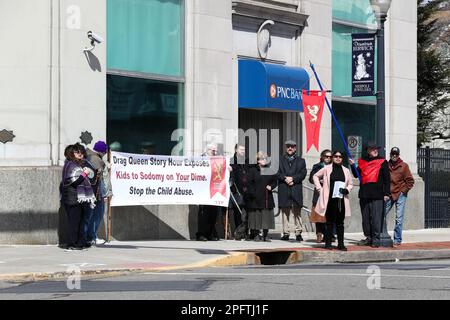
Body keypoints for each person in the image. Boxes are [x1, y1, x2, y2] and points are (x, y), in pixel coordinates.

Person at [349, 142, 391, 248]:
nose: (375, 150)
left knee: (376, 218)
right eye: (373, 149)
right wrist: (352, 165)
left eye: (376, 148)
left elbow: (387, 179)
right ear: (368, 150)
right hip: (364, 194)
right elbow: (356, 174)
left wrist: (386, 193)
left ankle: (376, 239)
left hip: (377, 194)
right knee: (366, 218)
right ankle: (369, 237)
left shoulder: (383, 162)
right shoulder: (362, 161)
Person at [313, 151, 353, 250]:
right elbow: (315, 176)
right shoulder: (327, 169)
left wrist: (347, 190)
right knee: (329, 222)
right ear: (332, 158)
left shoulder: (346, 170)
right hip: (330, 199)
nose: (338, 158)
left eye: (340, 156)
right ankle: (328, 243)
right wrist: (319, 189)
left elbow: (350, 183)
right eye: (336, 156)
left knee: (340, 223)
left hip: (341, 200)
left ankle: (341, 244)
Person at [60, 144, 97, 250]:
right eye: (77, 152)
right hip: (73, 199)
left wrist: (87, 173)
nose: (80, 153)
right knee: (74, 222)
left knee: (81, 221)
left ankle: (80, 242)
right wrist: (84, 174)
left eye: (81, 151)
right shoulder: (70, 166)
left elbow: (89, 179)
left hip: (81, 198)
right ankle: (72, 243)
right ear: (71, 153)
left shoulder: (79, 165)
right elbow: (75, 182)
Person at [277, 140, 307, 242]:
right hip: (284, 188)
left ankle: (298, 233)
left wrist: (293, 179)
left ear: (295, 148)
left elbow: (303, 173)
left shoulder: (301, 161)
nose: (290, 148)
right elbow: (277, 172)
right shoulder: (279, 160)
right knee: (285, 212)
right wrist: (285, 178)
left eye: (292, 147)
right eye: (288, 146)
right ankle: (286, 233)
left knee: (297, 211)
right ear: (286, 148)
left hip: (296, 188)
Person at [385, 147, 415, 246]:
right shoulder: (386, 165)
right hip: (389, 193)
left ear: (398, 155)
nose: (394, 156)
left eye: (396, 154)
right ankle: (382, 235)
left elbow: (410, 181)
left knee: (399, 218)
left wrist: (403, 191)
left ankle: (397, 239)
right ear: (390, 154)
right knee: (382, 215)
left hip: (400, 194)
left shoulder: (404, 166)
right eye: (393, 154)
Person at [246, 152, 277, 242]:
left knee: (266, 216)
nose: (264, 160)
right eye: (262, 159)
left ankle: (265, 235)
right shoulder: (253, 170)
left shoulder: (270, 170)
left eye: (265, 159)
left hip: (267, 196)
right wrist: (252, 193)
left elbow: (275, 181)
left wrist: (271, 186)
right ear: (258, 161)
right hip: (255, 197)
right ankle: (256, 235)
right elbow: (249, 183)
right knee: (256, 216)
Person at [86, 140, 110, 245]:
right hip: (96, 193)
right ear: (102, 151)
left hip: (88, 192)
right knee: (97, 215)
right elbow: (102, 180)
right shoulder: (97, 161)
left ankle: (89, 237)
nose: (105, 153)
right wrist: (105, 194)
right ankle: (92, 237)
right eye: (105, 151)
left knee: (90, 215)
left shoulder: (88, 158)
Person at [196, 143, 220, 241]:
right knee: (204, 213)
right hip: (203, 191)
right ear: (207, 150)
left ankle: (210, 233)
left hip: (214, 190)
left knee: (213, 213)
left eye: (215, 151)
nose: (215, 152)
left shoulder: (218, 160)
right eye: (213, 150)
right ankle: (201, 234)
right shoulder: (201, 159)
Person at [229, 143, 254, 240]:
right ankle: (238, 233)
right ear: (236, 150)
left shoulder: (246, 161)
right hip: (236, 190)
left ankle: (246, 232)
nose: (243, 151)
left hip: (247, 190)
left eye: (244, 150)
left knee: (247, 212)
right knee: (238, 213)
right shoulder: (231, 161)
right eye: (241, 149)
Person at [309, 149, 332, 243]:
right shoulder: (317, 166)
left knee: (328, 215)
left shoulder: (333, 167)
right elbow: (311, 179)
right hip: (319, 193)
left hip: (330, 193)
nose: (328, 158)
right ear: (322, 157)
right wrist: (319, 180)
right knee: (318, 215)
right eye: (326, 156)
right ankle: (319, 234)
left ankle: (328, 235)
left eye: (330, 157)